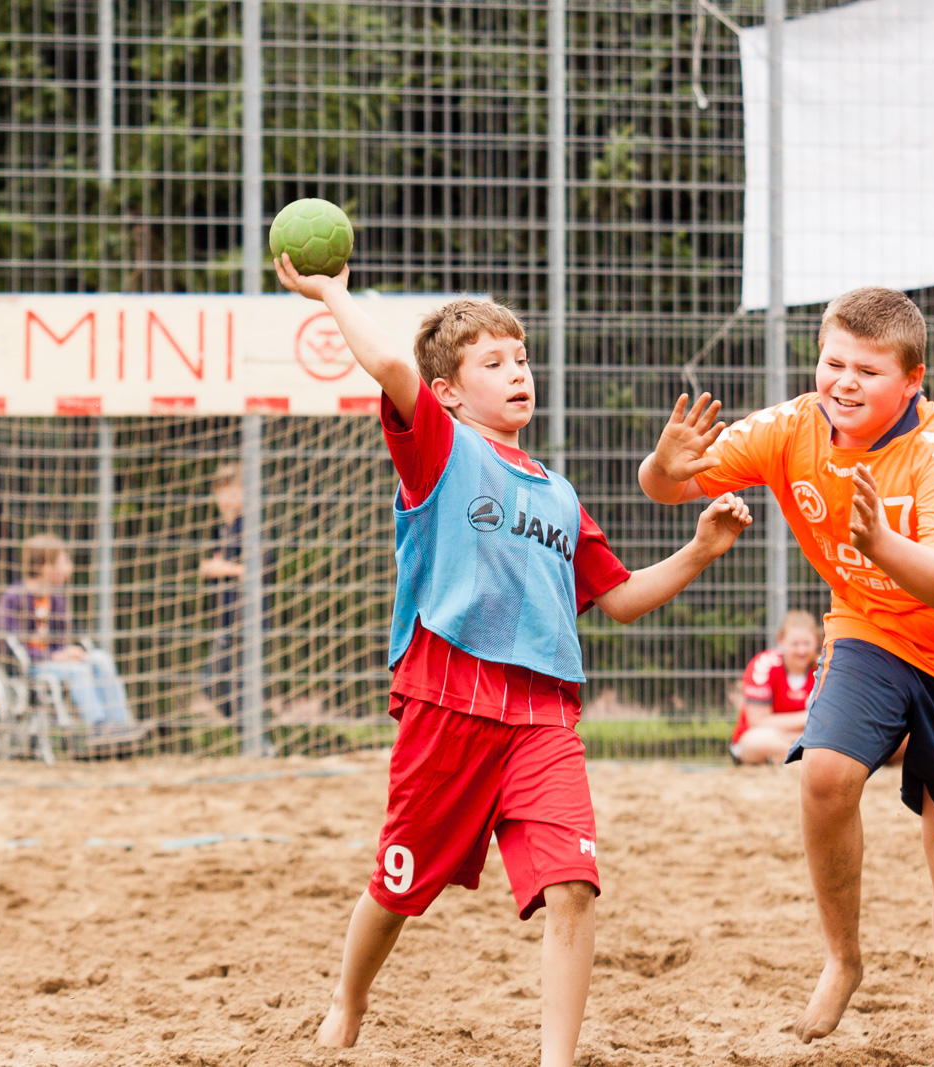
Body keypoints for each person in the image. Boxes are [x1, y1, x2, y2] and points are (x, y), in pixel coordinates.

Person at [274, 252, 752, 1067]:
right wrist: (332, 294)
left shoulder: (559, 493)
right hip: (447, 706)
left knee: (573, 886)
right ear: (452, 391)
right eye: (493, 362)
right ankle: (348, 999)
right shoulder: (438, 446)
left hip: (543, 719)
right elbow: (391, 362)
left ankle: (555, 1061)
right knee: (397, 888)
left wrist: (701, 549)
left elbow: (624, 597)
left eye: (522, 358)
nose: (517, 372)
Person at [638, 286, 934, 1050]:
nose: (844, 382)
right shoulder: (793, 426)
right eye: (833, 362)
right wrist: (662, 466)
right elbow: (669, 486)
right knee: (824, 774)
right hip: (872, 629)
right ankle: (841, 960)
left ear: (913, 380)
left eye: (869, 370)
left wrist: (882, 543)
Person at [0, 534, 132, 729]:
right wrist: (55, 656)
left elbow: (62, 640)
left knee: (101, 659)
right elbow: (10, 648)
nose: (69, 568)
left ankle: (121, 725)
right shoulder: (13, 598)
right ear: (46, 568)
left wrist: (70, 652)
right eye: (64, 562)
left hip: (56, 661)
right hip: (31, 665)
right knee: (78, 671)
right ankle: (98, 727)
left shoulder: (57, 600)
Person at [731, 611, 820, 764]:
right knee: (760, 739)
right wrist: (807, 718)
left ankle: (794, 760)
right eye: (795, 644)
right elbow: (757, 722)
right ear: (780, 640)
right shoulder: (764, 665)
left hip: (806, 738)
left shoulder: (824, 669)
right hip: (765, 739)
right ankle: (796, 759)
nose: (801, 650)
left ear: (817, 642)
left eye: (806, 643)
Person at [196, 462, 245, 719]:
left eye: (233, 492)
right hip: (226, 621)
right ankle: (254, 739)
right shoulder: (222, 531)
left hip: (247, 622)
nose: (225, 499)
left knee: (234, 687)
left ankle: (259, 743)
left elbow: (257, 570)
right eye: (221, 492)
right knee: (212, 684)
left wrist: (223, 568)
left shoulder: (248, 527)